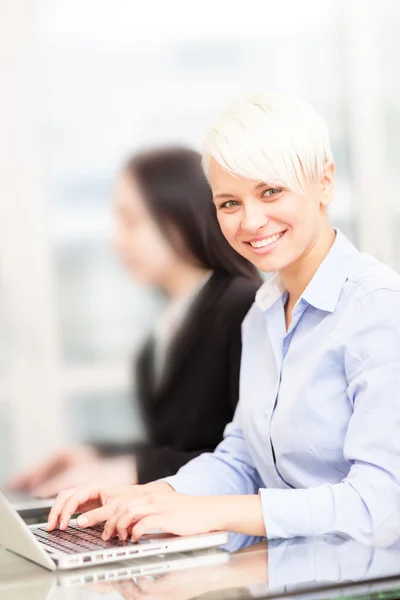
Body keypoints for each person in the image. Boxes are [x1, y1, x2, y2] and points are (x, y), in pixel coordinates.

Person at [47, 93, 400, 547]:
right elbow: (242, 459)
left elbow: (381, 504)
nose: (251, 221)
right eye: (229, 203)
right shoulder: (263, 313)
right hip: (289, 574)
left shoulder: (377, 308)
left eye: (270, 191)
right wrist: (149, 495)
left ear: (325, 182)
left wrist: (211, 511)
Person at [9, 147, 261, 497]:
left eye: (131, 221)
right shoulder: (155, 345)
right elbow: (178, 446)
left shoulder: (245, 307)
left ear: (178, 214)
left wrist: (131, 468)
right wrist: (97, 455)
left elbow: (253, 460)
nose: (117, 242)